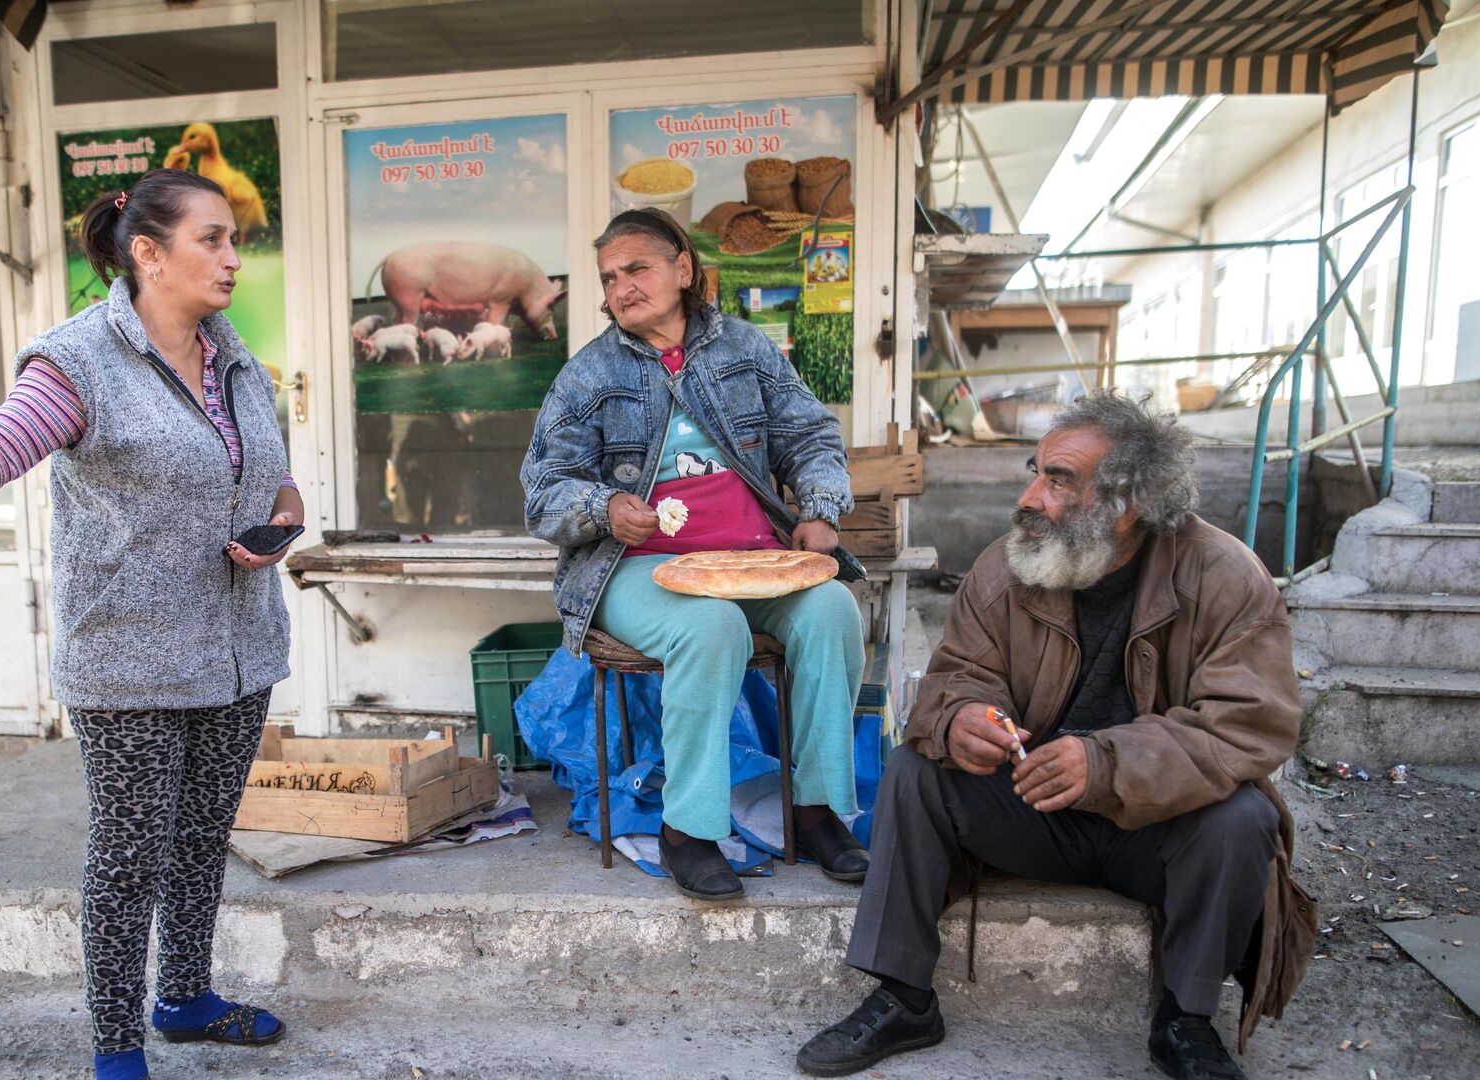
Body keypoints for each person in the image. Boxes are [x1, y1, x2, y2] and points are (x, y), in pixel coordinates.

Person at [0, 168, 298, 1080]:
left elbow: (269, 470)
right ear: (147, 254)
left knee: (203, 838)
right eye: (212, 238)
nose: (233, 257)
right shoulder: (79, 358)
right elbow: (7, 436)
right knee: (129, 859)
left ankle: (184, 999)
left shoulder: (229, 349)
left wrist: (283, 519)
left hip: (238, 647)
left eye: (234, 239)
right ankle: (117, 1053)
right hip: (127, 654)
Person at [796, 392, 1315, 1079]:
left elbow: (1250, 725)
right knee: (916, 771)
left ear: (1126, 502)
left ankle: (1186, 1022)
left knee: (1243, 817)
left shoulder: (1224, 575)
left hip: (1158, 832)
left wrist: (1106, 762)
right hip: (1035, 812)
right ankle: (905, 996)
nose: (1030, 497)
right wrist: (961, 721)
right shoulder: (1009, 564)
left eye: (1058, 479)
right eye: (1035, 472)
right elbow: (957, 677)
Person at [521, 207, 869, 900]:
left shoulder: (744, 349)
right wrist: (604, 509)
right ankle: (690, 830)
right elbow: (543, 491)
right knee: (711, 627)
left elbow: (812, 436)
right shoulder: (587, 376)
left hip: (751, 558)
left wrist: (820, 510)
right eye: (609, 278)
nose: (620, 288)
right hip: (634, 569)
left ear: (683, 269)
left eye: (636, 269)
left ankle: (819, 809)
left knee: (832, 609)